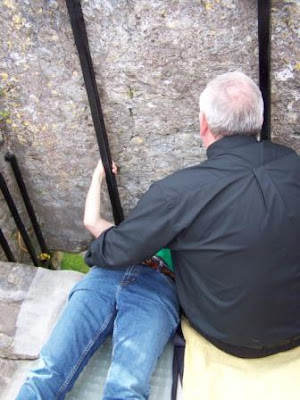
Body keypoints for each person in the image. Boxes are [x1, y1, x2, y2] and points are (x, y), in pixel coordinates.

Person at [84, 71, 300, 359]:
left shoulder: (176, 193)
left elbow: (114, 250)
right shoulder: (292, 163)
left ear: (203, 124)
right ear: (258, 121)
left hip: (227, 335)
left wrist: (95, 248)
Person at [16, 162, 179, 400]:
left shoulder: (185, 246)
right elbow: (91, 221)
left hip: (157, 287)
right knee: (49, 369)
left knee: (126, 387)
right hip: (105, 277)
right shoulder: (128, 234)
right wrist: (98, 175)